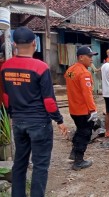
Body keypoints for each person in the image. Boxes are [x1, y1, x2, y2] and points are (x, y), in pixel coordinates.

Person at [1, 26, 68, 197]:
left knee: (20, 163)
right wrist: (59, 121)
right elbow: (49, 101)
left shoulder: (5, 67)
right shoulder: (40, 67)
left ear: (14, 44)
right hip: (39, 123)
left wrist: (12, 114)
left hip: (18, 122)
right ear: (34, 43)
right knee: (40, 165)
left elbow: (6, 97)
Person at [65, 46, 99, 171]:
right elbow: (87, 94)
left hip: (73, 109)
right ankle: (78, 161)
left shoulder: (70, 70)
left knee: (80, 131)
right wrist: (93, 110)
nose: (91, 59)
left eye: (92, 56)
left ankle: (74, 153)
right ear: (81, 57)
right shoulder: (84, 73)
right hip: (83, 110)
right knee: (85, 134)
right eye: (89, 56)